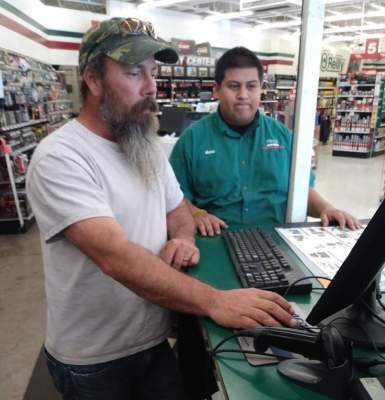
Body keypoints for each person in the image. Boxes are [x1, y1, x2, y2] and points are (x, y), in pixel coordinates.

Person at [26, 19, 299, 400]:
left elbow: (178, 209)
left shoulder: (144, 144)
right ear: (93, 79)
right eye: (134, 72)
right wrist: (214, 300)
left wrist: (184, 238)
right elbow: (115, 258)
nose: (151, 87)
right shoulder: (61, 157)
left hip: (153, 341)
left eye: (153, 72)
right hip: (95, 360)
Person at [170, 47, 361, 237]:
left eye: (251, 86)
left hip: (278, 241)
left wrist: (326, 208)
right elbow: (173, 197)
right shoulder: (192, 140)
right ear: (217, 90)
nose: (243, 95)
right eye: (234, 86)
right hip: (217, 241)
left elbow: (303, 191)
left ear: (261, 88)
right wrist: (195, 213)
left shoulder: (283, 136)